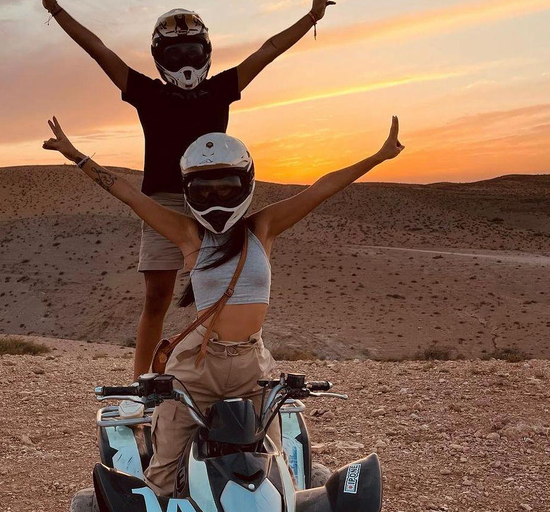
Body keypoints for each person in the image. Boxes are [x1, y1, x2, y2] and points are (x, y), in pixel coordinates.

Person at [42, 115, 405, 496]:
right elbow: (130, 194)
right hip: (199, 365)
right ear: (189, 191)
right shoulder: (186, 233)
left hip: (253, 364)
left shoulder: (262, 228)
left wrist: (378, 157)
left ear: (244, 185)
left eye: (225, 188)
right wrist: (76, 156)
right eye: (204, 191)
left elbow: (321, 189)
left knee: (277, 467)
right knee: (163, 474)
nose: (215, 199)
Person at [41, 0, 337, 381]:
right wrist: (56, 9)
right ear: (160, 56)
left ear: (206, 53)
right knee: (157, 298)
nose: (185, 60)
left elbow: (269, 50)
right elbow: (99, 50)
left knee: (221, 296)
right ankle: (142, 384)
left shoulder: (219, 90)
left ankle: (217, 373)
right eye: (175, 52)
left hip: (217, 201)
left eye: (192, 51)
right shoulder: (147, 93)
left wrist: (312, 16)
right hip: (164, 201)